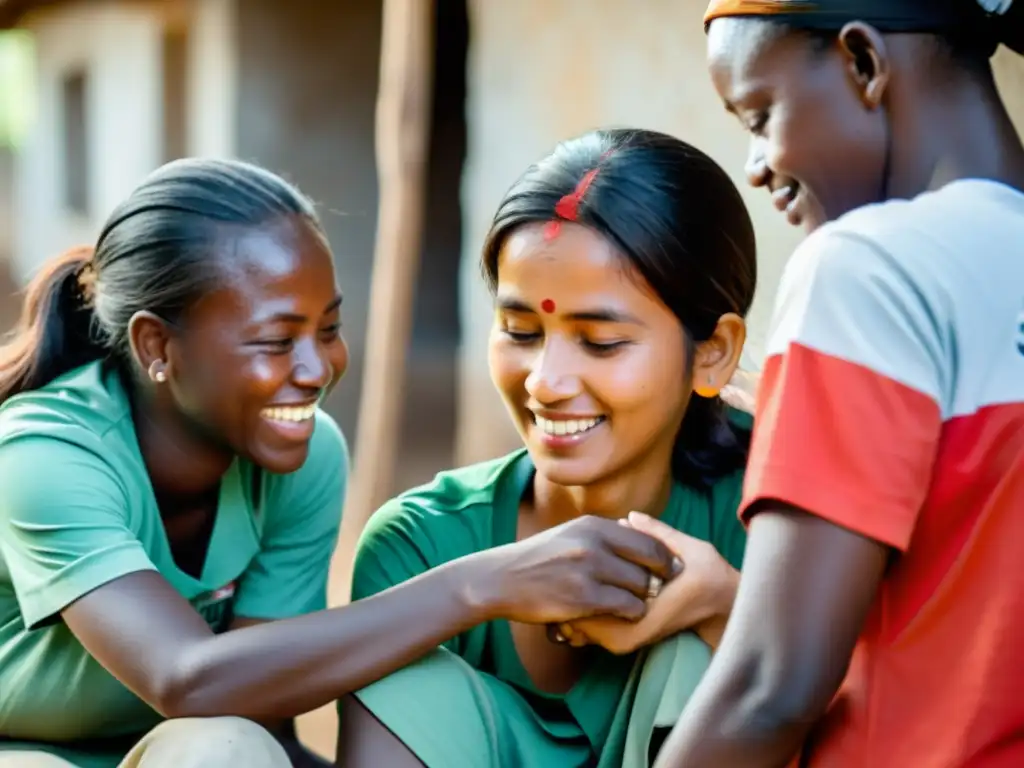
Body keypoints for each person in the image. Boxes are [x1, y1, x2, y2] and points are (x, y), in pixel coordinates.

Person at [0, 157, 688, 768]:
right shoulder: (46, 454)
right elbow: (187, 679)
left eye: (328, 329)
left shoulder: (303, 456)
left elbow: (259, 712)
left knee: (227, 746)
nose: (317, 368)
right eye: (274, 340)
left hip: (177, 750)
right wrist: (486, 583)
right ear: (157, 345)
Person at [654, 2, 1024, 766]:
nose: (756, 166)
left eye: (759, 114)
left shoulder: (868, 269)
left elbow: (770, 687)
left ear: (863, 63)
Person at [337, 127, 759, 768]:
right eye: (519, 330)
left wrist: (726, 608)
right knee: (399, 651)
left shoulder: (775, 513)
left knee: (710, 654)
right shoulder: (424, 546)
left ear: (712, 353)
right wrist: (478, 587)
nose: (544, 382)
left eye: (601, 342)